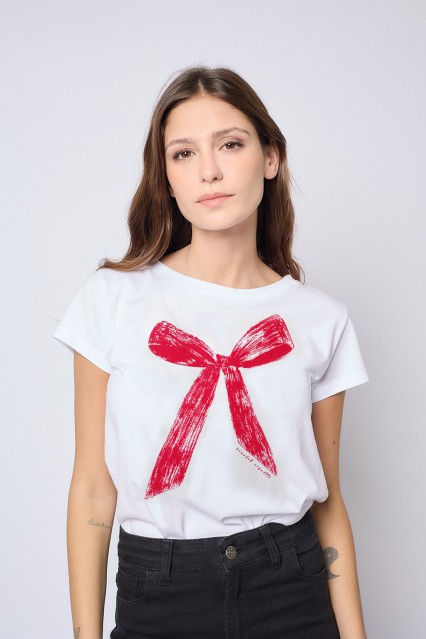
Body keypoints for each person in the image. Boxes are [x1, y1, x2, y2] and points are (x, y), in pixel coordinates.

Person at [52, 65, 369, 639]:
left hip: (291, 589)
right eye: (183, 153)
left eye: (230, 144)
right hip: (159, 590)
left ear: (270, 158)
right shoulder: (113, 299)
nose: (209, 171)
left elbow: (328, 501)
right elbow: (94, 488)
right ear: (167, 179)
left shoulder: (321, 319)